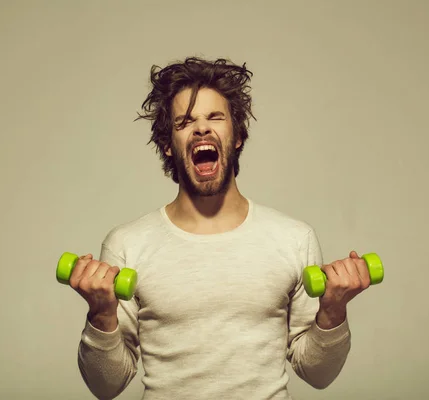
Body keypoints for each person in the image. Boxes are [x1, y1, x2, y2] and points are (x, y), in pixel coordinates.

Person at [69, 57, 372, 399]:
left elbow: (318, 374)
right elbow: (105, 386)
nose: (201, 128)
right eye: (185, 121)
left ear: (237, 135)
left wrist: (332, 311)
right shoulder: (128, 244)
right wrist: (101, 314)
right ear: (168, 144)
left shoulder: (293, 239)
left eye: (215, 117)